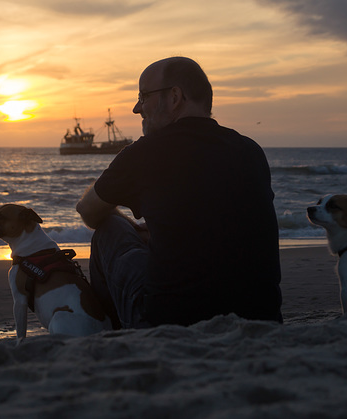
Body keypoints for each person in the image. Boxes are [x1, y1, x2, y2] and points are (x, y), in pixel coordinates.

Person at [76, 56, 282, 328]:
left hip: (172, 322)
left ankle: (109, 333)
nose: (137, 108)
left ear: (174, 97)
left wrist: (131, 227)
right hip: (260, 319)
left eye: (143, 95)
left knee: (109, 227)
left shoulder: (146, 152)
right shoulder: (250, 150)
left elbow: (88, 211)